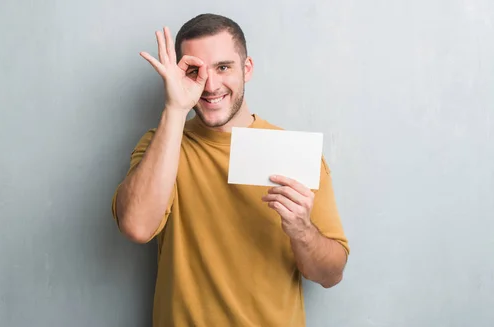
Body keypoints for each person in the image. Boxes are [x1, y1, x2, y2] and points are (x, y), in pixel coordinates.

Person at [111, 13, 350, 327]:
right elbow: (136, 227)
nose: (210, 85)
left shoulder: (294, 153)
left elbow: (331, 275)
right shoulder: (161, 145)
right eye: (195, 70)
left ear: (246, 69)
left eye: (223, 67)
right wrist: (175, 108)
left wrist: (303, 231)